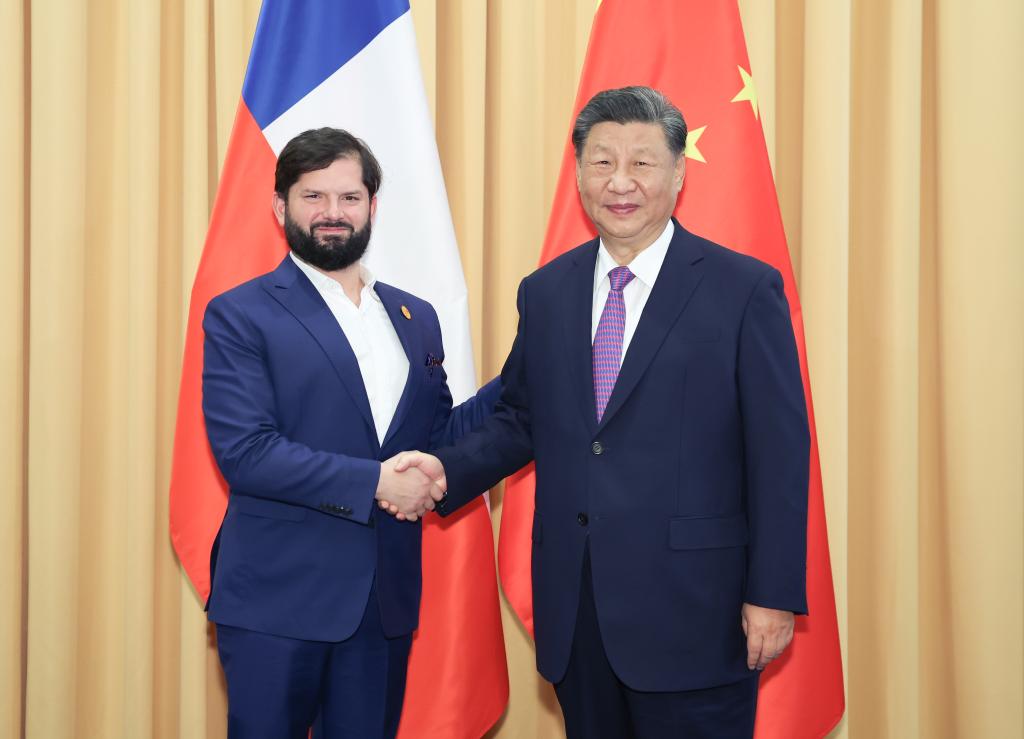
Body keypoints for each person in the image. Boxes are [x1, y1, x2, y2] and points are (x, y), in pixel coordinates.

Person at [392, 87, 810, 738]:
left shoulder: (744, 289)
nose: (621, 181)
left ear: (677, 172)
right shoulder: (548, 291)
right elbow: (522, 416)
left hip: (699, 612)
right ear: (580, 171)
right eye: (602, 161)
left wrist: (775, 591)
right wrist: (440, 473)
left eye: (643, 162)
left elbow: (780, 452)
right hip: (579, 611)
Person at [201, 127, 499, 739]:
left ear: (372, 206)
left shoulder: (416, 317)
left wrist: (523, 379)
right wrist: (376, 483)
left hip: (381, 603)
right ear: (280, 206)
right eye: (313, 197)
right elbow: (246, 453)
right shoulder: (240, 313)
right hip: (275, 603)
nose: (333, 214)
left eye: (349, 198)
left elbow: (436, 435)